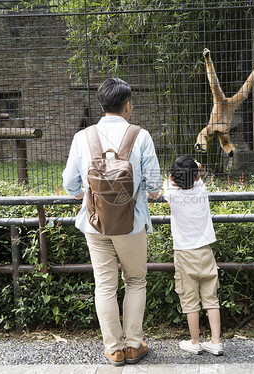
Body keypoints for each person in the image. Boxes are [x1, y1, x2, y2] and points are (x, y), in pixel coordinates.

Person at [62, 77, 162, 366]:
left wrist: (81, 194)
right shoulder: (140, 136)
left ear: (101, 105)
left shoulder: (83, 137)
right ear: (128, 105)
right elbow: (154, 183)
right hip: (132, 224)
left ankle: (114, 349)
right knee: (135, 281)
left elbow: (70, 182)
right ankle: (133, 345)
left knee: (104, 285)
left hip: (95, 223)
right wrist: (150, 192)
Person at [163, 155, 223, 356]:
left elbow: (169, 182)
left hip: (184, 253)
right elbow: (195, 172)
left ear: (173, 178)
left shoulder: (172, 194)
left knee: (190, 300)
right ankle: (215, 341)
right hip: (205, 251)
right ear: (197, 177)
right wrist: (195, 168)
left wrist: (176, 177)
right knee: (211, 298)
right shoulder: (202, 191)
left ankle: (195, 341)